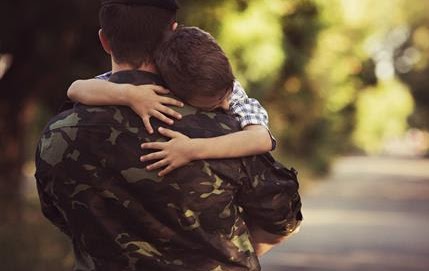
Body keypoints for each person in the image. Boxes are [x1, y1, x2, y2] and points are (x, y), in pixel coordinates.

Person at [35, 1, 302, 270]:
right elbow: (281, 218)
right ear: (171, 34)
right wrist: (227, 254)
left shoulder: (58, 135)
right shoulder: (226, 134)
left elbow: (58, 215)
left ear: (104, 40)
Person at [66, 32, 275, 177]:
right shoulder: (168, 84)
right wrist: (129, 94)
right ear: (179, 94)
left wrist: (192, 149)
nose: (226, 105)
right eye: (215, 104)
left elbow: (261, 138)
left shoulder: (231, 91)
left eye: (226, 95)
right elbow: (76, 89)